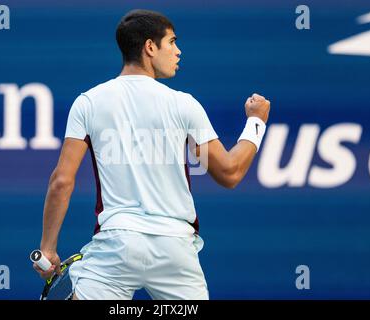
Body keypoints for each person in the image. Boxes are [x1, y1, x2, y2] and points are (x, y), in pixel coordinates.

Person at [33, 9, 270, 300]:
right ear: (149, 47)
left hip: (117, 248)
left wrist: (47, 248)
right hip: (175, 252)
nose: (178, 51)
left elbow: (61, 181)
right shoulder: (185, 105)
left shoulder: (88, 103)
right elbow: (230, 173)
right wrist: (257, 122)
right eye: (172, 42)